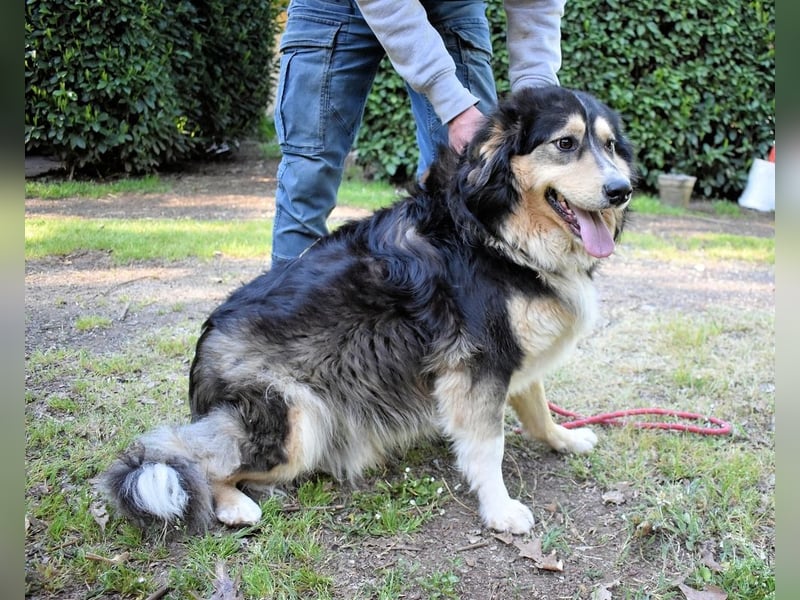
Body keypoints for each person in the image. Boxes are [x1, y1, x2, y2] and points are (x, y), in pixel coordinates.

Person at [271, 0, 567, 267]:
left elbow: (536, 5)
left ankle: (457, 319)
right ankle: (282, 316)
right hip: (332, 7)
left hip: (451, 6)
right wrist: (455, 107)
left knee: (471, 181)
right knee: (307, 175)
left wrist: (536, 99)